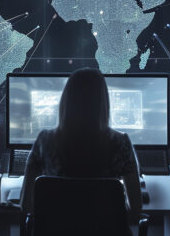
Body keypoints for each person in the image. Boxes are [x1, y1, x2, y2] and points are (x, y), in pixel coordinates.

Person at [20, 68, 142, 224]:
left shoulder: (44, 142)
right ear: (103, 103)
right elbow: (136, 210)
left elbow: (25, 206)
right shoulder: (121, 143)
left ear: (66, 101)